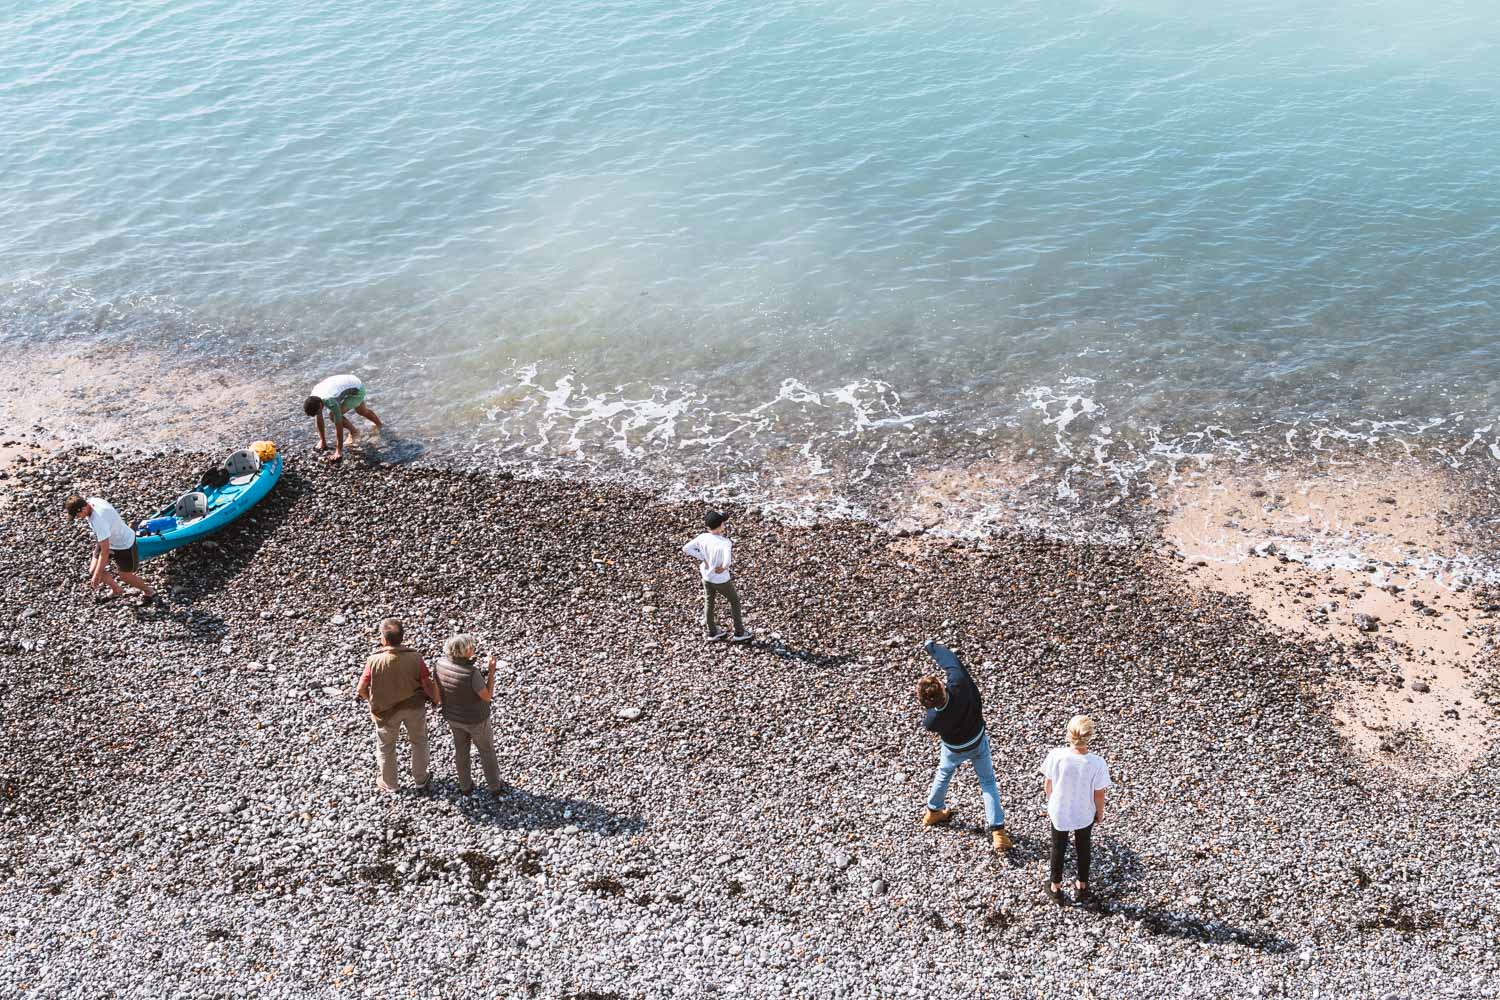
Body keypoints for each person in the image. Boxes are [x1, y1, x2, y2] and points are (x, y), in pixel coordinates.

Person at [916, 640, 1012, 854]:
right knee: (987, 782)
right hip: (977, 740)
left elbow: (934, 720)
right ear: (942, 686)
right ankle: (998, 832)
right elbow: (951, 661)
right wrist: (931, 647)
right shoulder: (958, 682)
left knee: (944, 772)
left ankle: (934, 810)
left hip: (953, 748)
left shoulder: (931, 720)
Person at [356, 618, 440, 792]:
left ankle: (390, 784)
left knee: (386, 747)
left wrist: (371, 701)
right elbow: (426, 683)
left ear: (384, 640)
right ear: (402, 637)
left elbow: (361, 688)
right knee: (419, 741)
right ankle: (421, 779)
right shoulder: (416, 658)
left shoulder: (373, 660)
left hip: (386, 712)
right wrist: (435, 699)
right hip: (414, 707)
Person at [1040, 715, 1112, 906]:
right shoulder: (1097, 763)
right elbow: (1099, 793)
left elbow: (1048, 784)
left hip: (1060, 811)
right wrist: (1100, 813)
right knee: (1083, 847)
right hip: (1084, 812)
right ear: (1090, 736)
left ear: (1068, 734)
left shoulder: (1056, 755)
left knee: (1058, 847)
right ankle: (1082, 884)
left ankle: (1055, 886)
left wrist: (1051, 802)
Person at [433, 634, 504, 796]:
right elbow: (487, 697)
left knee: (461, 750)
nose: (473, 648)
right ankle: (494, 786)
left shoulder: (439, 665)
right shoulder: (472, 673)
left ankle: (465, 786)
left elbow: (437, 694)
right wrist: (491, 672)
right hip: (476, 719)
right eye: (471, 647)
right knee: (486, 751)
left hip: (453, 717)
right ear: (463, 651)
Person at [64, 495, 157, 606]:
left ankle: (149, 592)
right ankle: (116, 589)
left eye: (77, 515)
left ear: (83, 509)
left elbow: (105, 551)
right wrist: (96, 573)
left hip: (124, 544)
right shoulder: (91, 501)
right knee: (93, 570)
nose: (78, 518)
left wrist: (97, 575)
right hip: (105, 539)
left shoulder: (99, 521)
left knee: (125, 576)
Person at [681, 511, 752, 642]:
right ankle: (739, 632)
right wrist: (723, 568)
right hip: (721, 579)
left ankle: (712, 632)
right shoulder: (725, 542)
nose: (724, 524)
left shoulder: (702, 537)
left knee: (709, 602)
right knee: (734, 601)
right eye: (723, 523)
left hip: (707, 577)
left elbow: (686, 548)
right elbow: (727, 561)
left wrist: (703, 558)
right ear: (720, 526)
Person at [303, 373, 382, 462]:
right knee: (362, 411)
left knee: (333, 416)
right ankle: (380, 425)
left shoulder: (329, 400)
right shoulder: (313, 398)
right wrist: (322, 441)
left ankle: (354, 432)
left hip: (357, 390)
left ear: (320, 404)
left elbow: (338, 425)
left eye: (318, 411)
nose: (318, 413)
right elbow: (319, 418)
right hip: (350, 383)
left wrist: (338, 451)